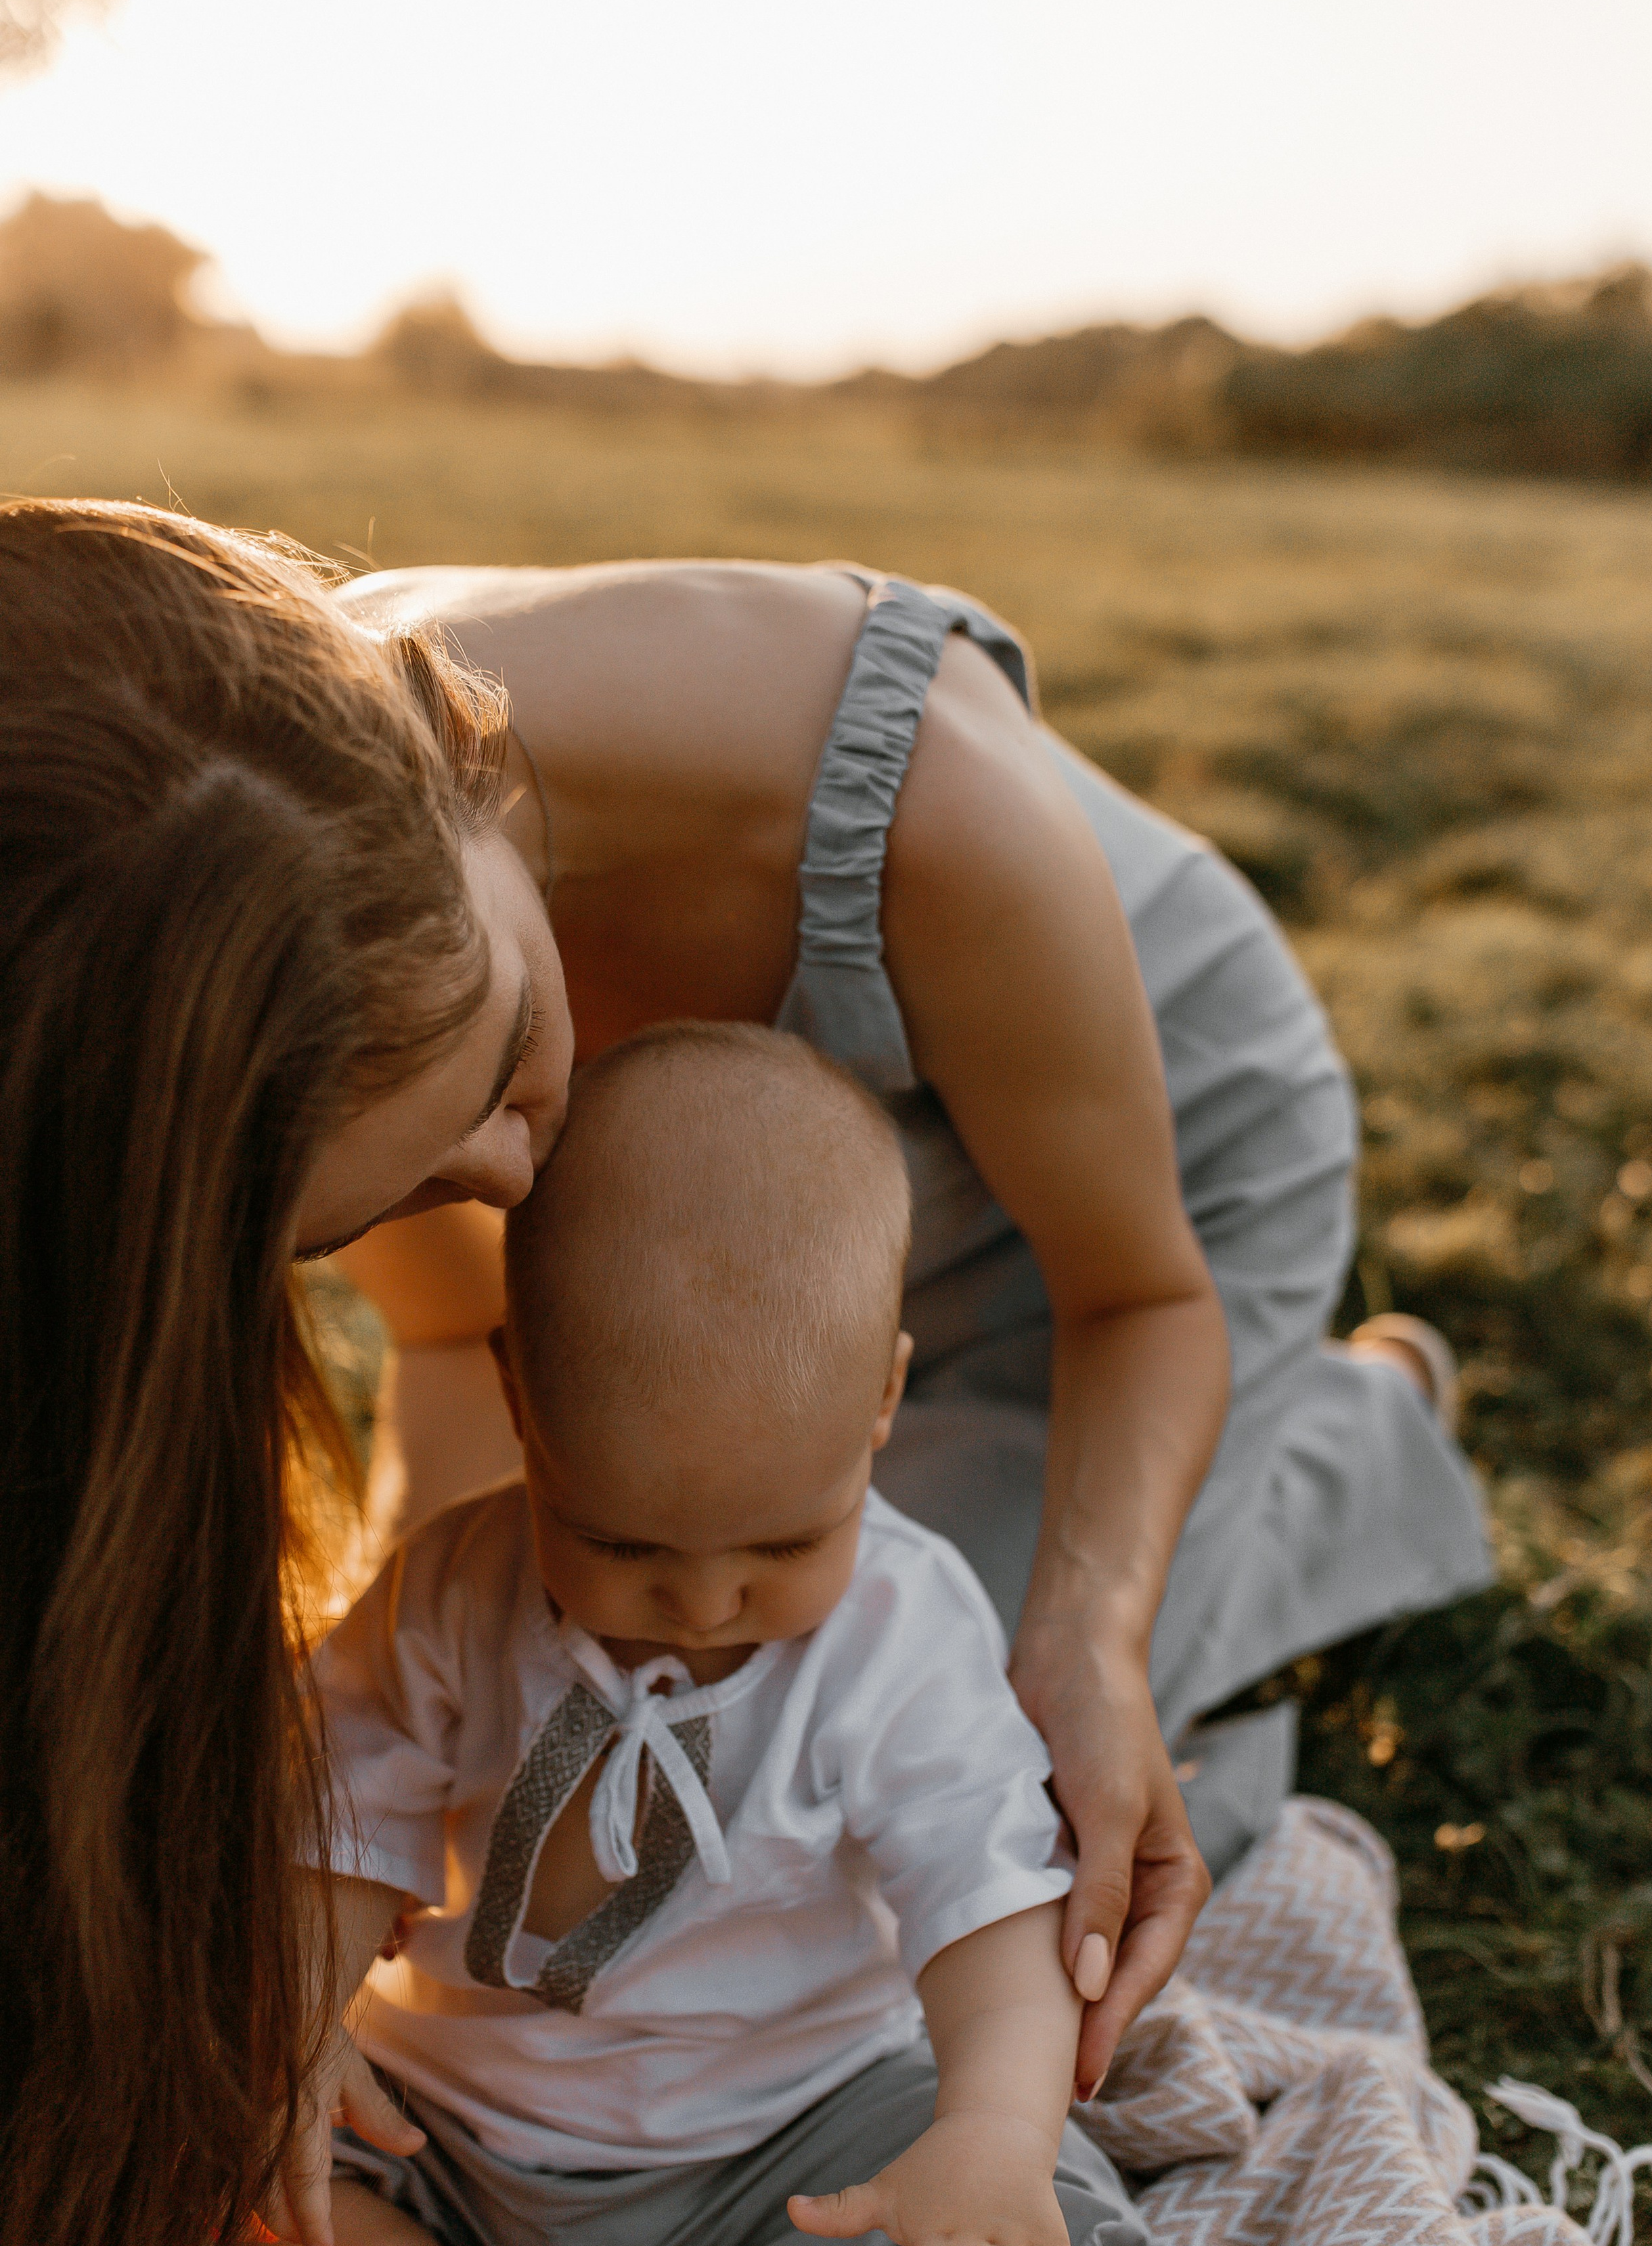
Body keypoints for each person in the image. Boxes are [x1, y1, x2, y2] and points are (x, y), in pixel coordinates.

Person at [334, 558, 1490, 2065]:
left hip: (1143, 1206)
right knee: (648, 1664)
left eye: (491, 1097)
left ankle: (1346, 1430)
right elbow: (445, 1344)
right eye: (416, 1178)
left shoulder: (909, 804)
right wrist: (425, 1632)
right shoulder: (324, 962)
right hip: (718, 1293)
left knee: (924, 1750)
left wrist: (1090, 1641)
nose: (504, 1179)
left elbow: (1135, 1289)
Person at [219, 1024, 1176, 2246]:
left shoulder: (899, 1634)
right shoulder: (449, 1594)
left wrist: (985, 2141)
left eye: (781, 1545)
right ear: (520, 1400)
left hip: (801, 2131)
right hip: (457, 2124)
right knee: (206, 2155)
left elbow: (986, 1904)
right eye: (624, 1549)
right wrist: (292, 2023)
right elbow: (339, 1823)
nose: (705, 1601)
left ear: (881, 1400)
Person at [0, 501, 573, 2246]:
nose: (519, 1171)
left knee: (878, 1627)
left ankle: (1363, 1421)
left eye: (504, 1057)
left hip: (1106, 1226)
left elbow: (469, 1394)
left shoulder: (288, 835)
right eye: (358, 1229)